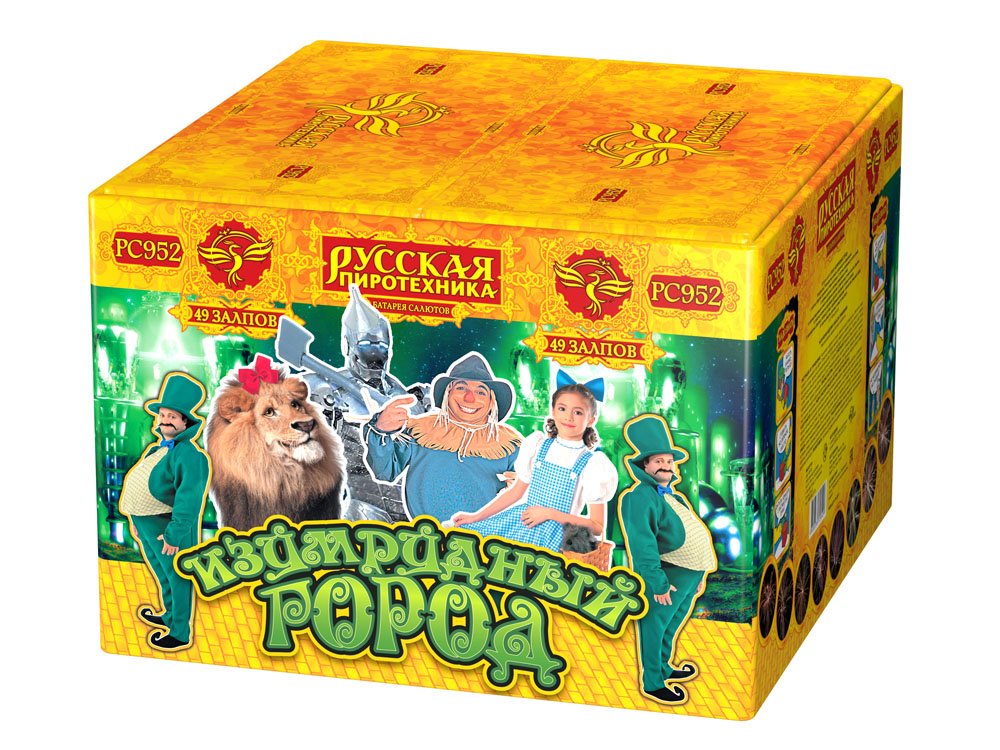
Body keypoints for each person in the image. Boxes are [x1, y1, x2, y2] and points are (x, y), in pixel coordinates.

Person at [451, 371, 616, 553]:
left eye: (578, 412)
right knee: (471, 541)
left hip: (557, 538)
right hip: (523, 523)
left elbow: (597, 527)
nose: (568, 417)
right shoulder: (538, 446)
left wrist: (550, 514)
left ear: (591, 420)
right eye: (562, 409)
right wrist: (475, 517)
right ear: (553, 411)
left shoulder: (592, 463)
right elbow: (515, 493)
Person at [618, 414, 718, 705]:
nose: (665, 465)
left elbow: (690, 532)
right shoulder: (640, 497)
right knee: (654, 625)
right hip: (668, 575)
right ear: (645, 466)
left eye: (669, 461)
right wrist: (658, 583)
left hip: (689, 575)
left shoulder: (675, 497)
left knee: (671, 625)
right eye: (658, 461)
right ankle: (653, 682)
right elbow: (643, 545)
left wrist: (700, 575)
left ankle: (664, 667)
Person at [363, 352, 521, 521]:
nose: (469, 398)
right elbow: (385, 472)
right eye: (461, 388)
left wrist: (521, 493)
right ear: (448, 393)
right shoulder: (421, 430)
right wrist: (380, 430)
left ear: (491, 401)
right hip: (427, 534)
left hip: (485, 535)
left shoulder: (509, 444)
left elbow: (527, 495)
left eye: (481, 392)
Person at [119, 372, 211, 652]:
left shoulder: (190, 455)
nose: (166, 420)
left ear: (186, 423)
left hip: (167, 527)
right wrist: (134, 519)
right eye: (163, 415)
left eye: (173, 416)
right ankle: (169, 615)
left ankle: (180, 632)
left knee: (177, 576)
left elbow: (188, 499)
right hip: (145, 525)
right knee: (161, 573)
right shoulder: (155, 449)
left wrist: (174, 534)